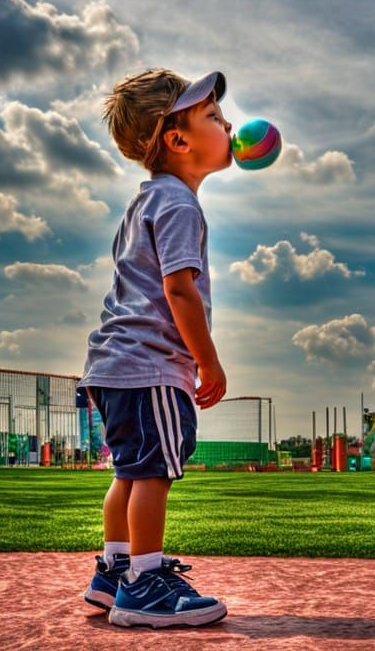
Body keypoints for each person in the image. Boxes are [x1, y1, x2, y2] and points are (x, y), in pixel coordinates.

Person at [77, 68, 232, 628]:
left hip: (112, 364)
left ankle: (114, 571)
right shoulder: (179, 205)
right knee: (153, 473)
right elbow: (178, 287)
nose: (228, 123)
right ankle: (144, 585)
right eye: (212, 116)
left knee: (129, 471)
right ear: (178, 139)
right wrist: (207, 359)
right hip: (149, 365)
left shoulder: (145, 202)